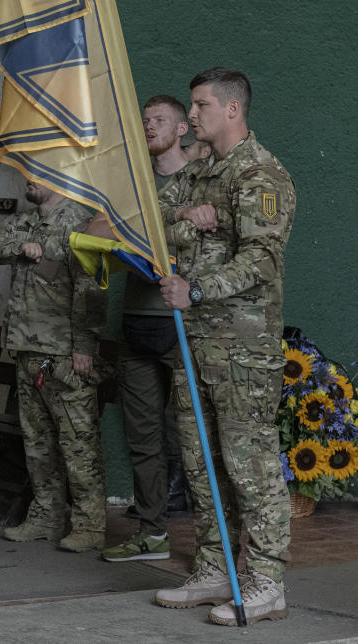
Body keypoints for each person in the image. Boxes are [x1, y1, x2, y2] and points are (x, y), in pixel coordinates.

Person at [154, 67, 295, 626]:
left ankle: (266, 578)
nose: (192, 117)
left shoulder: (260, 173)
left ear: (233, 109)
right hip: (195, 344)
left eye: (200, 106)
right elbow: (153, 222)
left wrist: (198, 289)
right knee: (198, 460)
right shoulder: (198, 173)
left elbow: (261, 259)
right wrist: (190, 220)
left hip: (242, 350)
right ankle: (215, 566)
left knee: (249, 464)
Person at [0, 181, 108, 553]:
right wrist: (18, 246)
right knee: (38, 444)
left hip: (64, 356)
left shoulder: (81, 226)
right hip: (26, 349)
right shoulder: (26, 221)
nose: (27, 180)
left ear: (60, 176)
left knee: (78, 445)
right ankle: (47, 516)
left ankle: (90, 524)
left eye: (37, 172)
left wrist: (84, 346)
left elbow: (93, 289)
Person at [102, 95, 192, 564]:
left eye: (159, 120)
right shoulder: (134, 185)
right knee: (143, 439)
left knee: (195, 437)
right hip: (136, 324)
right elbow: (101, 228)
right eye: (144, 122)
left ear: (182, 129)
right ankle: (153, 534)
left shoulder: (199, 179)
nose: (149, 127)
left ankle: (215, 545)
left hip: (182, 326)